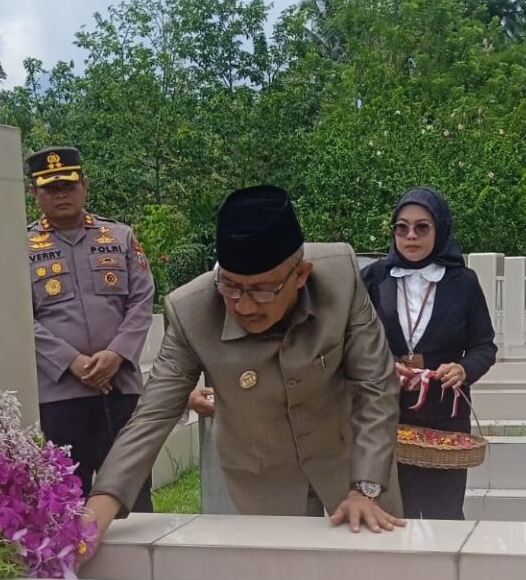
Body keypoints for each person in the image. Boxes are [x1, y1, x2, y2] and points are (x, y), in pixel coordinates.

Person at [79, 185, 403, 555]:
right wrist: (100, 503)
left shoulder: (341, 278)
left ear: (300, 275)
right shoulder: (190, 312)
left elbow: (375, 384)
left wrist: (365, 487)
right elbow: (153, 413)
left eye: (262, 290)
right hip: (264, 476)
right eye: (231, 287)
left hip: (353, 461)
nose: (244, 306)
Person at [26, 146, 155, 514]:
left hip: (121, 388)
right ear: (34, 193)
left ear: (84, 184)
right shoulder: (19, 247)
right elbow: (19, 315)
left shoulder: (119, 236)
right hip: (60, 396)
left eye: (68, 184)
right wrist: (72, 362)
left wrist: (116, 355)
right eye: (50, 188)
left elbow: (142, 299)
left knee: (133, 492)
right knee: (65, 496)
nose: (61, 193)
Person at [360, 187, 496, 519]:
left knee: (444, 514)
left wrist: (463, 369)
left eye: (422, 227)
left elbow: (484, 345)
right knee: (393, 513)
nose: (411, 236)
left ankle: (443, 572)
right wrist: (384, 365)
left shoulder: (462, 282)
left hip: (444, 418)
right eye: (401, 227)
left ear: (440, 229)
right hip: (386, 414)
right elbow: (355, 342)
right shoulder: (375, 278)